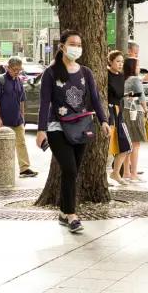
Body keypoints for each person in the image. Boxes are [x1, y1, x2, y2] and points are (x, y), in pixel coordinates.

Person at [36, 30, 109, 233]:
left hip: (81, 126)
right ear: (62, 46)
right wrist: (41, 130)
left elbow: (95, 98)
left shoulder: (86, 72)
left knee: (73, 171)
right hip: (57, 126)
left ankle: (63, 211)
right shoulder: (51, 73)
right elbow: (44, 103)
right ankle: (71, 215)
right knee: (69, 169)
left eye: (79, 44)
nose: (76, 47)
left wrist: (104, 120)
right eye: (72, 43)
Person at [0, 56, 38, 178]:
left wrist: (22, 115)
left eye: (19, 69)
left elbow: (22, 100)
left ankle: (24, 168)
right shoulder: (0, 80)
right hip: (2, 119)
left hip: (17, 119)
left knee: (21, 143)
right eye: (14, 69)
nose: (17, 72)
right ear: (8, 68)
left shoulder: (19, 81)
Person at [107, 50, 131, 185]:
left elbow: (119, 95)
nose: (121, 64)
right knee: (108, 145)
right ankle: (107, 174)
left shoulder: (121, 76)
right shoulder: (106, 74)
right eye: (118, 61)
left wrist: (128, 96)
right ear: (110, 61)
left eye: (122, 62)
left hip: (119, 111)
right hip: (109, 111)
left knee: (126, 145)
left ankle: (115, 172)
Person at [122, 57, 148, 182]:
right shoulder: (135, 79)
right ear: (133, 67)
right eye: (137, 66)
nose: (139, 68)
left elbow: (125, 95)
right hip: (135, 112)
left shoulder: (123, 78)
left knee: (128, 144)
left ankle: (126, 172)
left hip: (125, 111)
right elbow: (141, 97)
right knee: (135, 144)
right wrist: (146, 109)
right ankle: (133, 174)